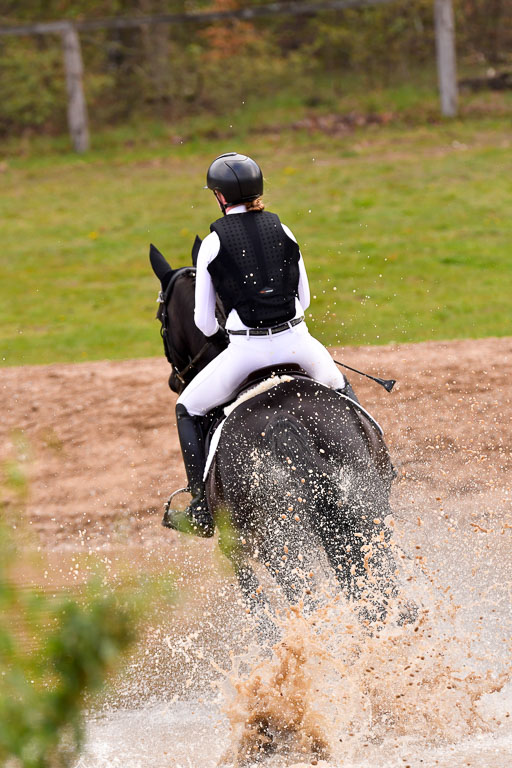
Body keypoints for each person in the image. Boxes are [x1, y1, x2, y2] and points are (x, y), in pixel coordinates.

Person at [167, 152, 358, 538]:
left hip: (245, 354)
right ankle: (378, 464)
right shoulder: (283, 230)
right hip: (300, 345)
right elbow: (305, 300)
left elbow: (204, 324)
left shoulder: (212, 244)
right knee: (340, 390)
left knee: (187, 408)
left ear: (220, 196)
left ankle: (201, 508)